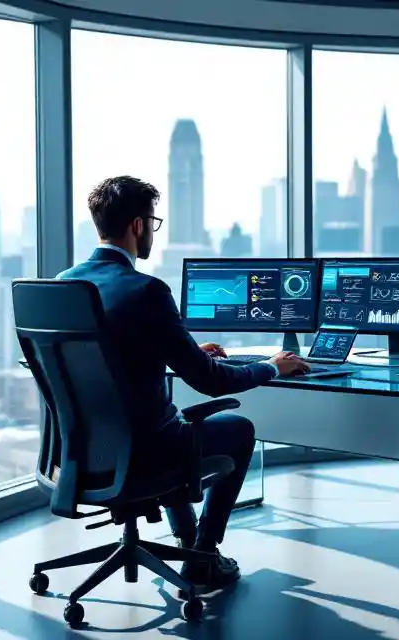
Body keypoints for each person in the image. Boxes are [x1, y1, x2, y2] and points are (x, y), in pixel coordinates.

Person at [58, 175, 309, 590]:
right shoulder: (147, 291)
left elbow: (108, 353)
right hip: (143, 453)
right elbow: (209, 382)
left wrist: (184, 349)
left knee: (172, 423)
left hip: (80, 453)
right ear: (138, 226)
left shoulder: (65, 285)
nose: (152, 232)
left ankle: (189, 542)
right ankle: (204, 553)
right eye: (152, 223)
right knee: (238, 430)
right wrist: (271, 367)